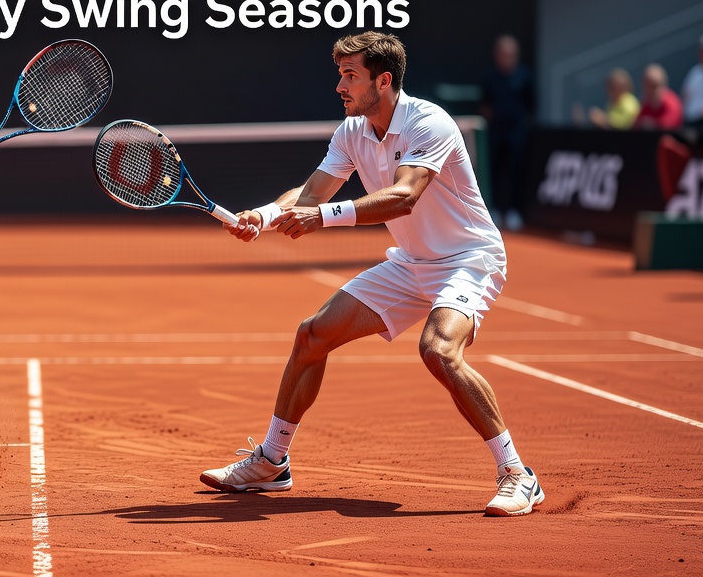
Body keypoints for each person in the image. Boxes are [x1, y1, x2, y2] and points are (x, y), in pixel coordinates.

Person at [203, 31, 542, 517]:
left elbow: (404, 197)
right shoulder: (351, 131)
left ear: (382, 81)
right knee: (312, 335)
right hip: (410, 263)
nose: (340, 86)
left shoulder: (430, 123)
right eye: (339, 75)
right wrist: (262, 214)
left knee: (439, 350)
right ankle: (272, 462)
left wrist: (322, 218)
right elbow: (312, 192)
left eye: (350, 76)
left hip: (467, 258)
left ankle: (517, 474)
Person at [477, 33, 532, 232]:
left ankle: (514, 211)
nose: (506, 58)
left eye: (510, 54)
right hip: (495, 132)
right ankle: (494, 210)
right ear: (496, 55)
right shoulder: (489, 76)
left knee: (516, 172)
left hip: (516, 132)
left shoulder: (524, 76)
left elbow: (530, 103)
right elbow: (484, 104)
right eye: (503, 54)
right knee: (494, 172)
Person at [634, 63, 684, 130]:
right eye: (647, 85)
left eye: (654, 85)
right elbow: (636, 125)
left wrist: (652, 123)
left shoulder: (671, 102)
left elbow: (670, 126)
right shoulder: (646, 104)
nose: (650, 90)